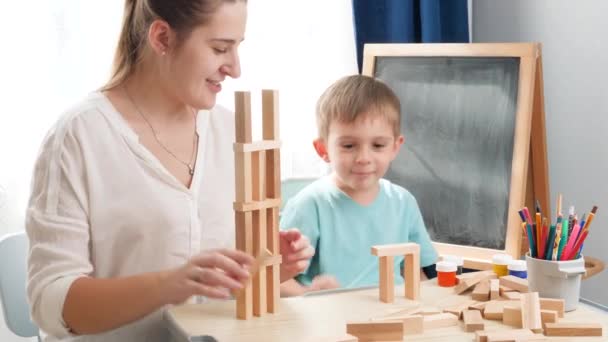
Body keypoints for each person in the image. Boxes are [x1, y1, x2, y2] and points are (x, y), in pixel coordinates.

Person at [26, 1, 313, 341]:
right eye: (220, 48)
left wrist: (267, 267)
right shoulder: (79, 136)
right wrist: (167, 285)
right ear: (162, 38)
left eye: (237, 47)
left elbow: (224, 282)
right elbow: (51, 302)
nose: (235, 69)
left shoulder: (231, 131)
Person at [280, 75, 438, 296]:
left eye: (378, 145)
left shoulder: (404, 202)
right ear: (323, 149)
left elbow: (417, 275)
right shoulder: (308, 205)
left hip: (392, 317)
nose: (364, 157)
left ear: (395, 147)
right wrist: (310, 296)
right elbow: (274, 281)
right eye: (348, 145)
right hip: (331, 322)